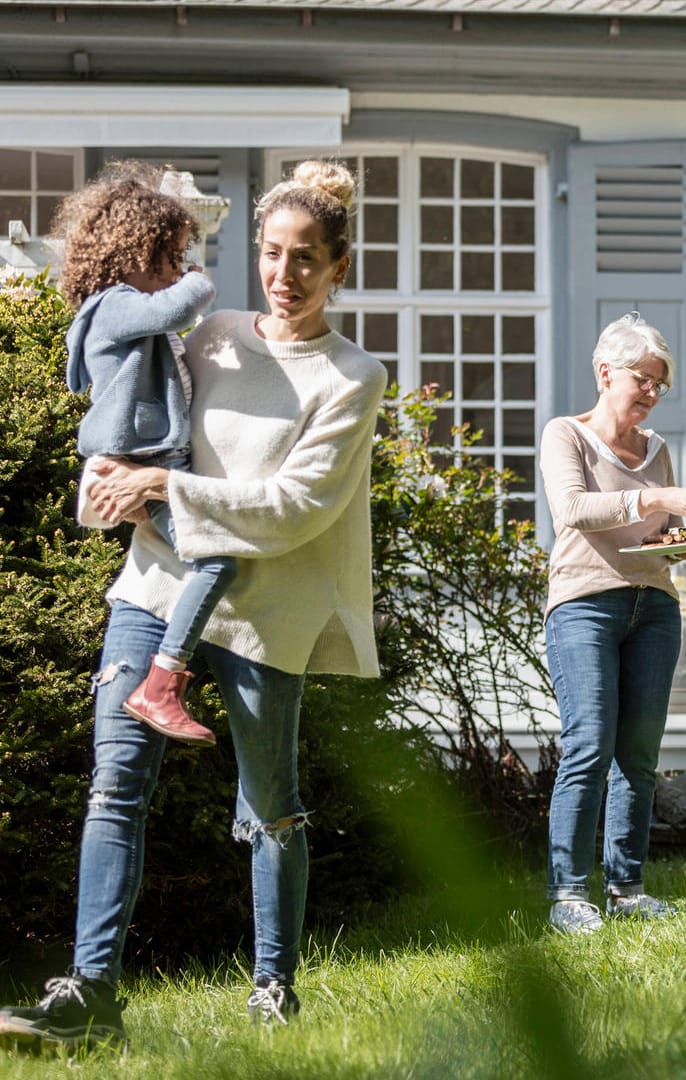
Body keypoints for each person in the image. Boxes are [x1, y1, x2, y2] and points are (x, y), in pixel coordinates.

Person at [0, 160, 387, 1051]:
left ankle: (272, 988)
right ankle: (91, 993)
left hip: (266, 609)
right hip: (154, 588)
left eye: (305, 260)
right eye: (271, 254)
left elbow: (297, 506)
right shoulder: (207, 332)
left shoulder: (351, 377)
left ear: (339, 267)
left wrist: (162, 487)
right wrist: (108, 488)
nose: (283, 276)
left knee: (269, 806)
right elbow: (134, 421)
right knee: (114, 789)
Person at [539, 313, 686, 935]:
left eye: (660, 386)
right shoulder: (566, 435)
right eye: (644, 380)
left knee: (637, 756)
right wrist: (658, 500)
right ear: (606, 372)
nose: (651, 394)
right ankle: (568, 895)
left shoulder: (657, 450)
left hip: (655, 607)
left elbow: (655, 536)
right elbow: (573, 511)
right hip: (584, 605)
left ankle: (626, 888)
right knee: (589, 747)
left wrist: (681, 540)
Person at [58, 164, 231, 746]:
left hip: (156, 459)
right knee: (216, 561)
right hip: (141, 460)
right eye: (170, 255)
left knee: (207, 561)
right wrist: (199, 277)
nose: (178, 268)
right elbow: (182, 306)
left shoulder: (126, 314)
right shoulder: (115, 305)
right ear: (133, 250)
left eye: (182, 255)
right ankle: (162, 683)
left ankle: (163, 677)